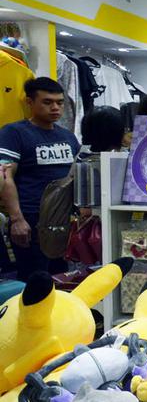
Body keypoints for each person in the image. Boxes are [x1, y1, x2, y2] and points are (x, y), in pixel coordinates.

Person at [0, 77, 80, 280]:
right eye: (47, 102)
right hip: (31, 219)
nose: (55, 107)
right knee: (34, 282)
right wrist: (17, 219)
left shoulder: (68, 137)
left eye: (60, 102)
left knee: (64, 278)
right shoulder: (14, 133)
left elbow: (78, 176)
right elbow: (5, 176)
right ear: (30, 102)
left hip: (65, 221)